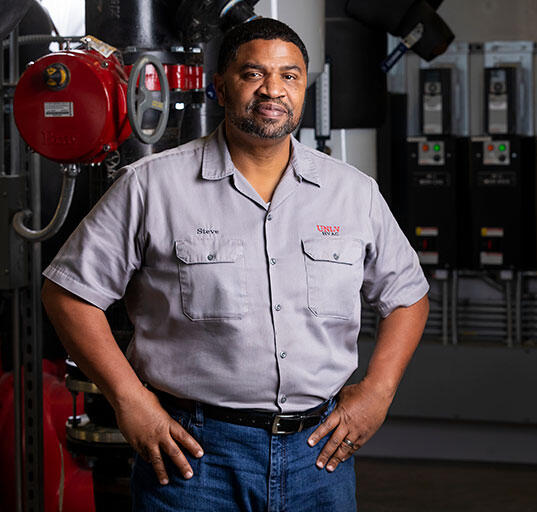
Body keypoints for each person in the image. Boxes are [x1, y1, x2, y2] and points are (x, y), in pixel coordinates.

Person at [41, 17, 429, 511]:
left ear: (305, 89)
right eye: (253, 74)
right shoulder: (152, 186)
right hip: (193, 459)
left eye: (290, 76)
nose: (273, 90)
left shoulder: (353, 194)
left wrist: (378, 391)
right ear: (220, 88)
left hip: (319, 458)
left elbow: (408, 296)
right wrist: (130, 401)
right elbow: (70, 294)